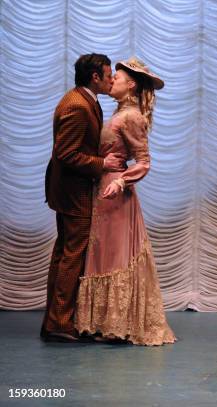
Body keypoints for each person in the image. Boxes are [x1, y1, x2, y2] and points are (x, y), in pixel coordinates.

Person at [74, 57, 176, 346]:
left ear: (130, 84)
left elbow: (144, 161)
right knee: (103, 254)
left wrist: (121, 181)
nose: (111, 82)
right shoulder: (120, 112)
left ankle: (117, 324)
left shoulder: (131, 116)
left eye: (116, 78)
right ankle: (103, 323)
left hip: (115, 194)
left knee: (114, 256)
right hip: (104, 189)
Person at [42, 53, 125, 342]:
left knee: (64, 255)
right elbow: (66, 154)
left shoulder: (81, 99)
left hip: (66, 191)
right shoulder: (78, 106)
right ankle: (60, 324)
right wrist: (102, 165)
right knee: (71, 258)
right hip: (72, 193)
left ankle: (54, 321)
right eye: (108, 75)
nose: (112, 79)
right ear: (95, 77)